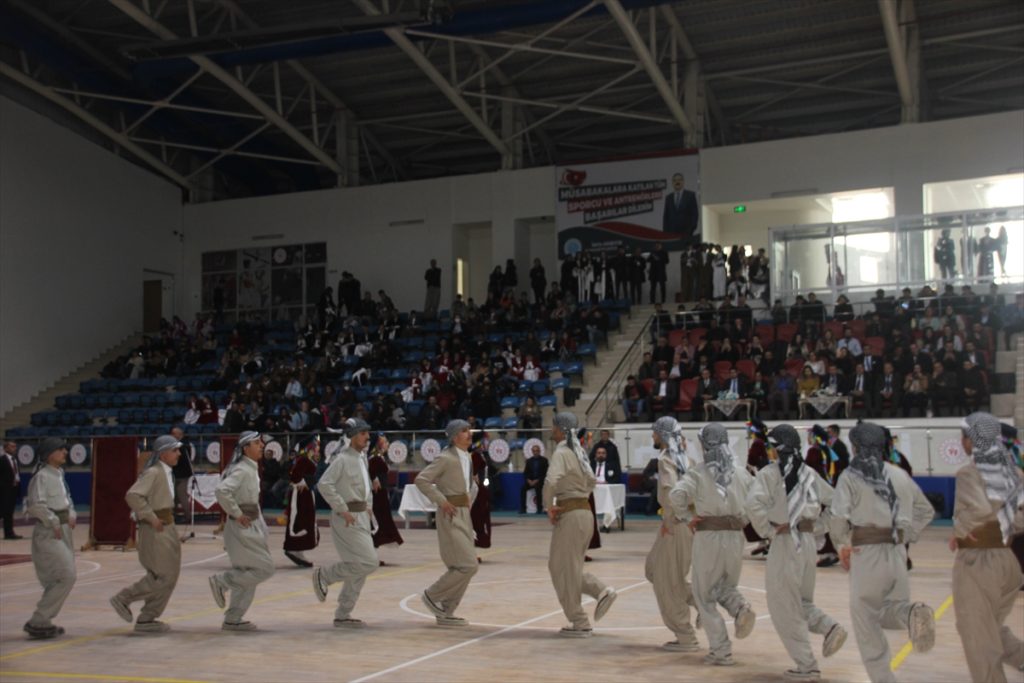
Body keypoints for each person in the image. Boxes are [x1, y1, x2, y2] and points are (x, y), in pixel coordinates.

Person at [828, 422, 936, 683]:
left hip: (867, 553)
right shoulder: (899, 475)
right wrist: (905, 535)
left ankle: (883, 679)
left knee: (865, 617)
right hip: (897, 553)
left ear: (856, 447)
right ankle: (911, 612)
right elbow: (926, 511)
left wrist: (842, 545)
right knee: (892, 608)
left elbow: (838, 517)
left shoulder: (851, 476)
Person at [746, 424, 847, 681]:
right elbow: (836, 501)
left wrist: (768, 530)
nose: (769, 450)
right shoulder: (809, 473)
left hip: (785, 542)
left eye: (771, 445)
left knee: (782, 606)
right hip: (807, 543)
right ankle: (829, 627)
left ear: (777, 448)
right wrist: (819, 526)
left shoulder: (769, 474)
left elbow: (752, 504)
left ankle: (807, 665)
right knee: (801, 601)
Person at [669, 423, 757, 667]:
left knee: (704, 595)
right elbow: (757, 501)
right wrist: (742, 520)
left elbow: (676, 496)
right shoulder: (741, 473)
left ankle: (721, 651)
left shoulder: (698, 473)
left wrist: (687, 518)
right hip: (735, 535)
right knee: (726, 585)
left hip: (709, 537)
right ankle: (740, 607)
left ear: (704, 443)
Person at [950, 413, 1024, 682]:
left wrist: (960, 531)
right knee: (988, 626)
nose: (962, 442)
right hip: (1008, 562)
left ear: (973, 440)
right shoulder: (1014, 471)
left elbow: (979, 511)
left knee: (978, 638)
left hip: (978, 562)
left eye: (965, 437)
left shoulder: (969, 473)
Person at [545, 412, 617, 637]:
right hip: (585, 514)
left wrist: (549, 505)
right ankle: (585, 611)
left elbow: (550, 481)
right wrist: (579, 495)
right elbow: (591, 481)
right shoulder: (580, 453)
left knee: (560, 568)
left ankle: (585, 612)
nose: (552, 429)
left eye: (554, 426)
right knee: (566, 566)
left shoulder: (562, 452)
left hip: (571, 515)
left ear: (561, 430)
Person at [110, 435, 184, 634]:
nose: (179, 454)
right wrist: (150, 517)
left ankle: (148, 617)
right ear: (163, 453)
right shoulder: (153, 472)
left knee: (170, 576)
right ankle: (124, 598)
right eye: (175, 450)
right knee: (162, 576)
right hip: (155, 529)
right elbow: (133, 495)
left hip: (167, 525)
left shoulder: (167, 473)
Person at [313, 419, 379, 628]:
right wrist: (342, 509)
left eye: (367, 433)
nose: (367, 437)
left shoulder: (362, 458)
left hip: (361, 516)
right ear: (351, 436)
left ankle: (343, 614)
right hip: (347, 518)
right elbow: (324, 484)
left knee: (358, 568)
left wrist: (368, 505)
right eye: (362, 433)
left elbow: (365, 487)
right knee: (368, 562)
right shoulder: (342, 459)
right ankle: (324, 575)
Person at [208, 431, 275, 631]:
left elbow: (253, 502)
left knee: (246, 574)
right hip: (241, 528)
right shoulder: (242, 470)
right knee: (264, 569)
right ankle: (222, 581)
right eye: (256, 443)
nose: (261, 445)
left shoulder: (250, 468)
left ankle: (233, 618)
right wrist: (237, 513)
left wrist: (261, 526)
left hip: (248, 525)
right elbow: (222, 490)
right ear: (246, 448)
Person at [416, 420, 479, 627]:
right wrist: (442, 501)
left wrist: (469, 499)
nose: (469, 433)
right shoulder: (445, 458)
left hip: (463, 514)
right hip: (450, 515)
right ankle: (432, 595)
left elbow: (469, 487)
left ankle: (447, 611)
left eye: (469, 430)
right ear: (453, 437)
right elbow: (422, 480)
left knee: (462, 566)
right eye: (464, 431)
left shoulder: (467, 457)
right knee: (468, 564)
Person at [646, 417, 699, 652]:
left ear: (663, 435)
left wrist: (672, 519)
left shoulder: (667, 460)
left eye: (655, 433)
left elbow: (671, 494)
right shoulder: (689, 460)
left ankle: (685, 636)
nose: (652, 437)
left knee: (668, 581)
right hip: (681, 524)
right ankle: (702, 604)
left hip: (676, 525)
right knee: (653, 569)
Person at [23, 438, 76, 640]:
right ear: (48, 454)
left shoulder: (59, 474)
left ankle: (41, 621)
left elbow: (66, 497)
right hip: (49, 531)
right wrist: (53, 521)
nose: (65, 452)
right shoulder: (42, 477)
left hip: (63, 530)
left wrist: (70, 512)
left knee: (61, 577)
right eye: (60, 449)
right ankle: (39, 619)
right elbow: (36, 504)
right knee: (66, 575)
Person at [283, 435, 321, 567]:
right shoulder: (304, 460)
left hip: (305, 495)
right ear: (309, 448)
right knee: (302, 520)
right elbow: (294, 476)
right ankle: (294, 547)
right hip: (301, 496)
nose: (317, 449)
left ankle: (297, 548)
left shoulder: (306, 460)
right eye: (315, 446)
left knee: (305, 520)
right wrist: (302, 482)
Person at [368, 436, 403, 553]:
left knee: (382, 522)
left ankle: (374, 550)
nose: (388, 444)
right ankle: (372, 549)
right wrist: (373, 479)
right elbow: (369, 471)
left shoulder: (380, 458)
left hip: (382, 493)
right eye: (386, 442)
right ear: (380, 445)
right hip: (378, 495)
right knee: (379, 521)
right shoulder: (375, 458)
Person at [662, 172, 699, 238]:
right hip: (671, 234)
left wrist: (691, 230)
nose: (677, 182)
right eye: (675, 180)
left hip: (686, 233)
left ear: (683, 181)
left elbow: (695, 214)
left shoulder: (690, 195)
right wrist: (666, 233)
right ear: (672, 183)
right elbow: (666, 217)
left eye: (679, 180)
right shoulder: (668, 198)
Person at [169, 427, 193, 525]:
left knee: (181, 495)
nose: (172, 436)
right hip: (180, 473)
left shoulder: (181, 446)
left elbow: (179, 461)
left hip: (181, 474)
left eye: (174, 434)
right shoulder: (186, 445)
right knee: (175, 495)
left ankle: (188, 517)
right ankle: (173, 515)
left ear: (179, 434)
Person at [1, 440, 22, 539]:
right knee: (5, 512)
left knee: (9, 512)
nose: (14, 448)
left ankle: (9, 533)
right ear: (6, 448)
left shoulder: (15, 460)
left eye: (15, 446)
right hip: (5, 490)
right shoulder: (2, 460)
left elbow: (16, 474)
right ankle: (9, 533)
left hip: (14, 489)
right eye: (12, 446)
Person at [521, 443, 548, 514]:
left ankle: (539, 508)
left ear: (539, 451)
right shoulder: (529, 461)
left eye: (537, 451)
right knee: (523, 489)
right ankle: (523, 509)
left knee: (538, 488)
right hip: (530, 481)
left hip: (540, 481)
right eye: (534, 451)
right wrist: (528, 480)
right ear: (532, 452)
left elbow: (545, 473)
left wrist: (537, 480)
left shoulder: (544, 460)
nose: (535, 452)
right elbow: (525, 473)